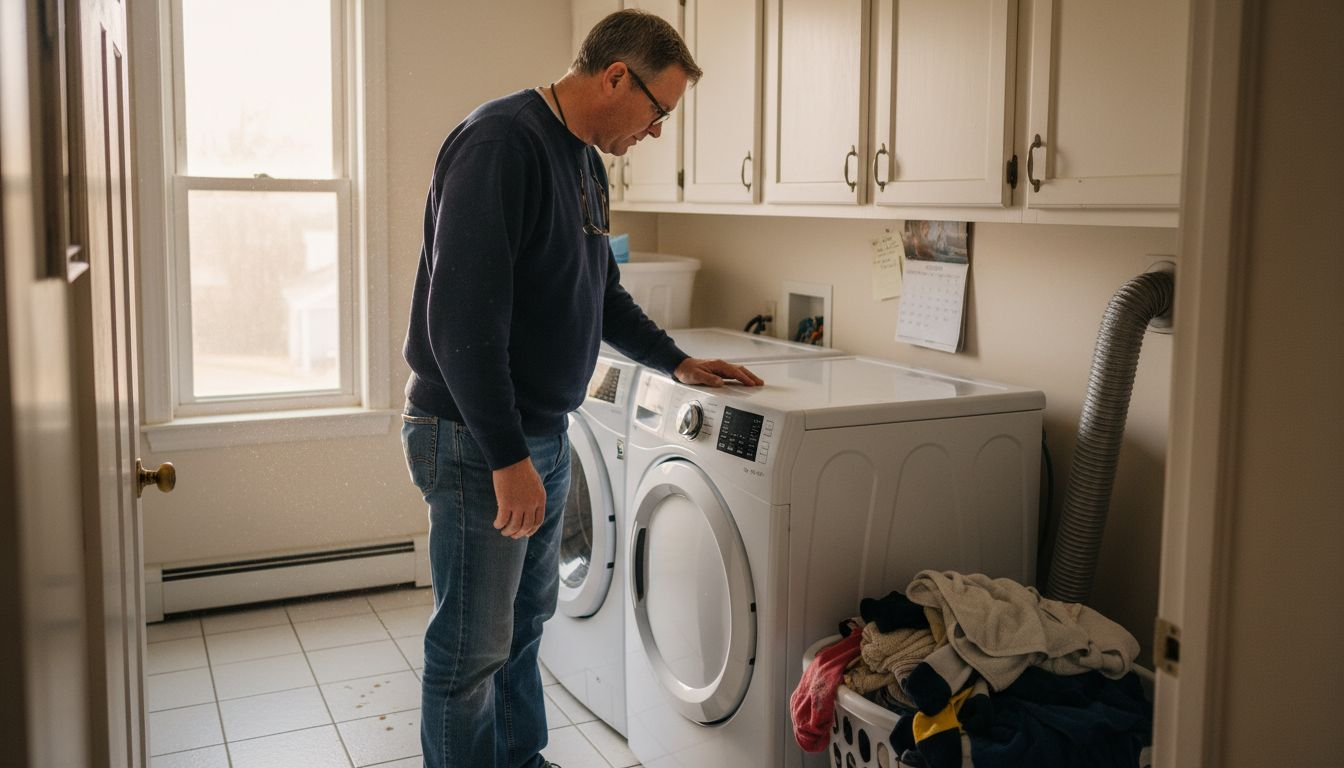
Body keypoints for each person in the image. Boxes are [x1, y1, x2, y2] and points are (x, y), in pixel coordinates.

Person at [399, 10, 763, 768]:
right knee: (471, 650)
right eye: (658, 111)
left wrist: (676, 361)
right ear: (615, 77)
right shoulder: (502, 145)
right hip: (474, 439)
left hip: (541, 433)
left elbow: (600, 294)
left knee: (526, 629)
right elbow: (458, 326)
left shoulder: (584, 164)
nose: (658, 133)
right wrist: (507, 458)